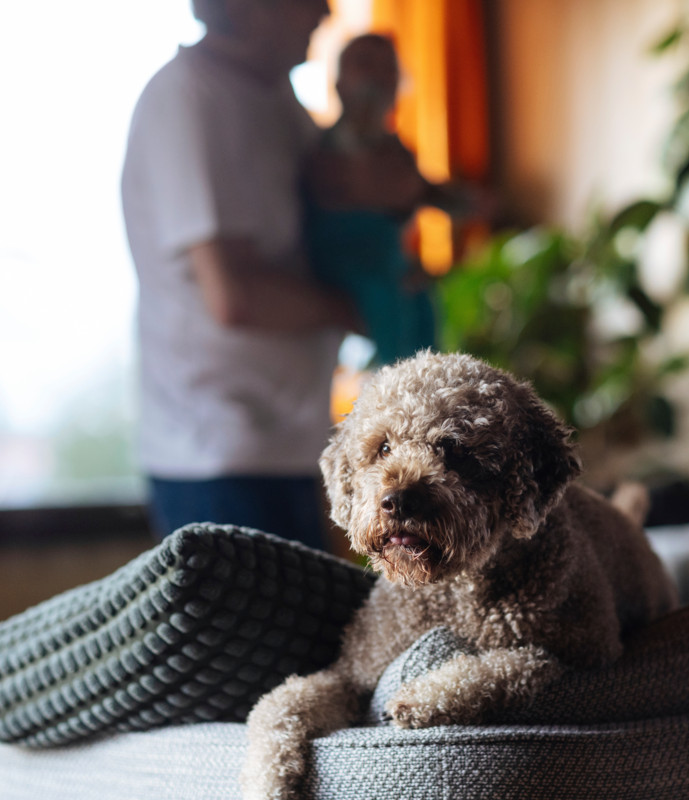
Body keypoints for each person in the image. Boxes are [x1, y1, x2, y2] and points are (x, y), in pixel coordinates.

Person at [121, 0, 357, 550]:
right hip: (218, 457)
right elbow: (235, 296)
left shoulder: (275, 98)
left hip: (284, 444)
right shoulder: (188, 98)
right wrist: (366, 309)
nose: (323, 12)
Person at [304, 33, 481, 367]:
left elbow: (420, 191)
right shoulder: (331, 147)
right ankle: (396, 395)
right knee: (388, 305)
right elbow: (374, 188)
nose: (377, 77)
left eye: (388, 69)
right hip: (347, 256)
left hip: (389, 255)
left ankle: (426, 384)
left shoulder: (397, 149)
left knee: (423, 305)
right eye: (365, 65)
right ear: (340, 84)